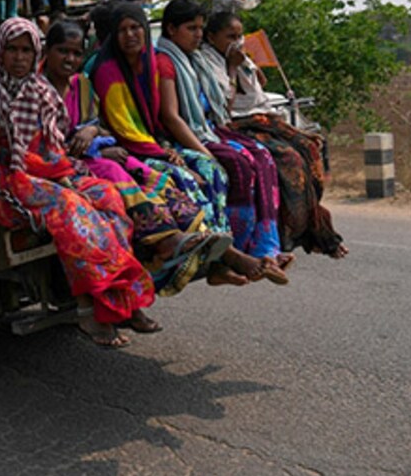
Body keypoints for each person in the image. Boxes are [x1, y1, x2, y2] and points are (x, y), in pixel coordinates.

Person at [0, 15, 157, 347]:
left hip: (55, 169)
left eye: (26, 51)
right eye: (11, 50)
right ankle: (88, 309)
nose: (18, 58)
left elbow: (59, 139)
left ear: (36, 54)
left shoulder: (41, 88)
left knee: (110, 199)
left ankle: (122, 301)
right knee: (72, 210)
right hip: (14, 176)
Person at [43, 20, 266, 293]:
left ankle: (216, 248)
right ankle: (174, 243)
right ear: (47, 51)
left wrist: (92, 133)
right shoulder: (40, 90)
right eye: (62, 51)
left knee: (159, 180)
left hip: (105, 152)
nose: (70, 59)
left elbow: (97, 125)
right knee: (128, 176)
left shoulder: (81, 85)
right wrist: (97, 144)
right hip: (70, 161)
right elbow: (46, 142)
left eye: (76, 53)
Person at [90, 3, 290, 283]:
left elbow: (155, 121)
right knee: (187, 179)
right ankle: (223, 257)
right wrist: (168, 153)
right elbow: (127, 129)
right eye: (122, 30)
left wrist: (172, 150)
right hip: (130, 149)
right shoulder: (109, 70)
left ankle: (221, 258)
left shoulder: (147, 63)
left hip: (156, 144)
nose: (130, 35)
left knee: (213, 171)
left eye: (136, 27)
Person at [188, 6, 347, 257]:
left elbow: (258, 85)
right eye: (230, 36)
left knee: (309, 147)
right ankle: (291, 232)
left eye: (239, 36)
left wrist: (246, 65)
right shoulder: (206, 62)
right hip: (236, 122)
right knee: (288, 159)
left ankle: (314, 224)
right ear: (212, 37)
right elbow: (222, 104)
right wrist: (231, 68)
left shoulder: (239, 56)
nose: (236, 42)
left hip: (260, 116)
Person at [147, 2, 291, 268]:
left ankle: (266, 243)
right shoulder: (166, 62)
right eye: (191, 28)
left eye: (201, 28)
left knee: (262, 156)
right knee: (238, 163)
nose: (198, 35)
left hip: (209, 128)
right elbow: (171, 117)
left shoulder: (194, 59)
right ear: (171, 29)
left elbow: (220, 105)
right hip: (186, 137)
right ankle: (236, 249)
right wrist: (206, 153)